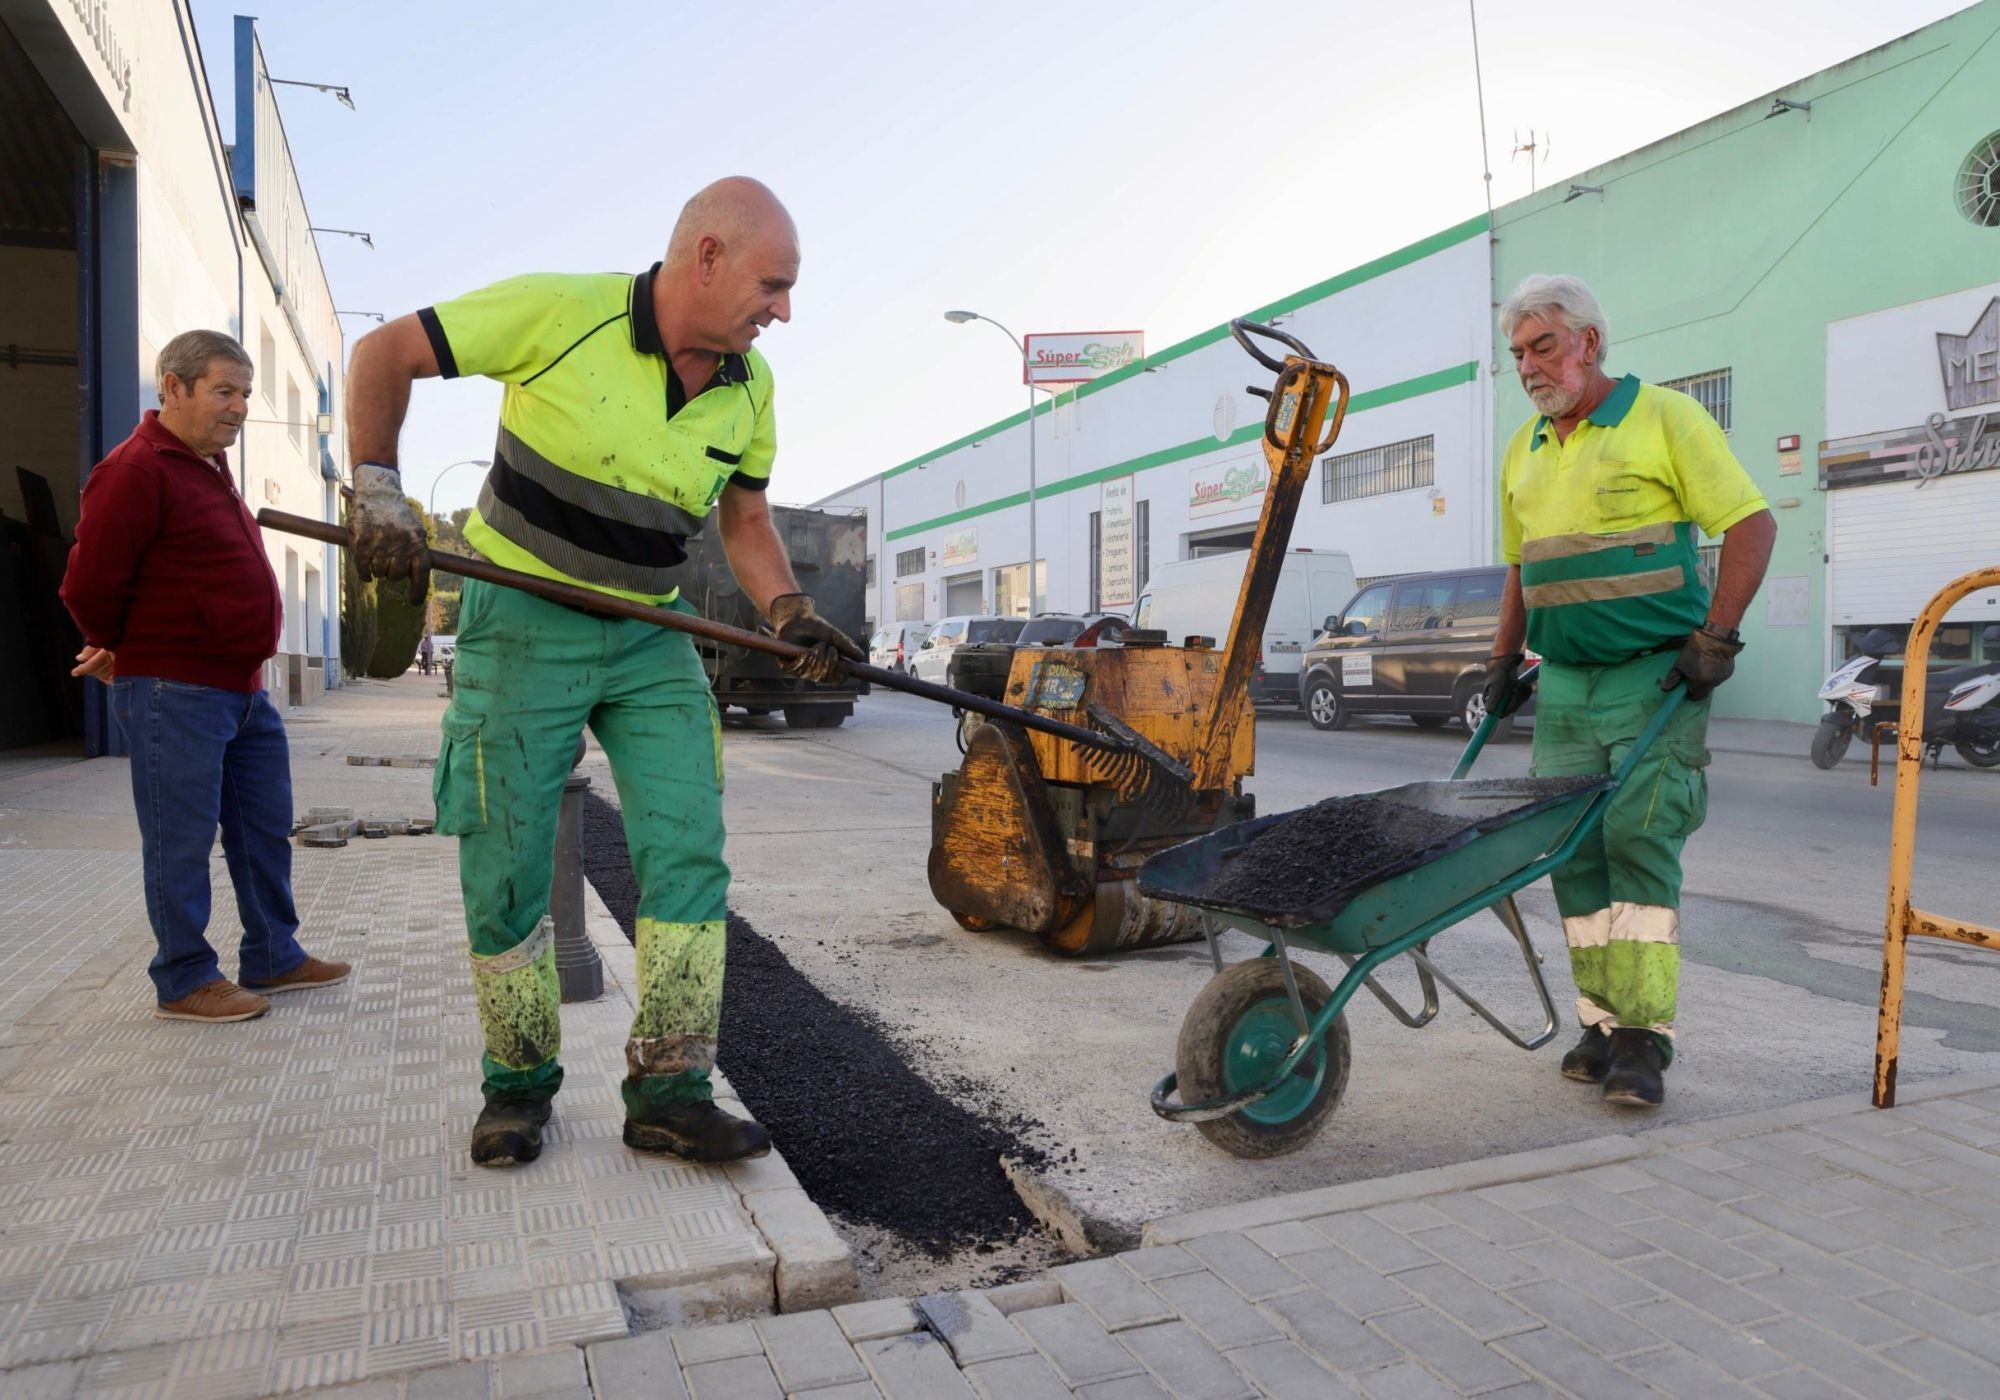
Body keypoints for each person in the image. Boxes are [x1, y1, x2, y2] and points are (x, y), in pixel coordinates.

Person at [344, 177, 860, 1168]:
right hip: (519, 618)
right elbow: (385, 352)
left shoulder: (750, 389)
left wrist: (790, 610)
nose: (783, 311)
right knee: (505, 867)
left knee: (687, 849)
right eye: (774, 284)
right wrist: (377, 485)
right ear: (705, 255)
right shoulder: (562, 312)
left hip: (648, 631)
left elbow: (744, 522)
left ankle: (668, 1087)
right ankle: (518, 1084)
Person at [1485, 274, 1775, 1109]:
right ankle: (1600, 1022)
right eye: (1518, 354)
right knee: (1572, 851)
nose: (1530, 366)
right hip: (1566, 683)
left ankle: (1646, 1039)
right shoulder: (1525, 446)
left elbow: (1752, 524)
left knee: (1638, 840)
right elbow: (1522, 564)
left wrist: (1714, 638)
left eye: (1544, 346)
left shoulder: (1666, 419)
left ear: (1590, 343)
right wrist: (1504, 662)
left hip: (1653, 674)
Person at [60, 330, 352, 1022]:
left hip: (243, 690)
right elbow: (89, 584)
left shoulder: (205, 466)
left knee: (262, 827)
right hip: (176, 691)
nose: (241, 407)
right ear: (174, 387)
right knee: (180, 838)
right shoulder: (136, 469)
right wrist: (117, 644)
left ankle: (274, 954)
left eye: (247, 393)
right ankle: (185, 976)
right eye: (225, 390)